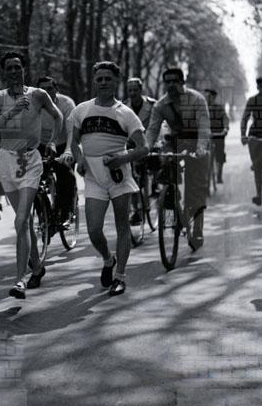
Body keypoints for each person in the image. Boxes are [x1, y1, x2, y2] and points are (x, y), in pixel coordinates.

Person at [60, 61, 148, 296]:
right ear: (94, 82)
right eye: (99, 79)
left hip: (118, 175)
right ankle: (108, 259)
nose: (103, 83)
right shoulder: (82, 110)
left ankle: (120, 277)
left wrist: (121, 159)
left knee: (122, 226)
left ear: (116, 81)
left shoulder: (125, 113)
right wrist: (79, 159)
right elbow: (73, 142)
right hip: (93, 175)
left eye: (108, 78)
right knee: (94, 230)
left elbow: (144, 148)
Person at [0, 52, 63, 299]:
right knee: (25, 222)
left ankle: (19, 281)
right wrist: (12, 112)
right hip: (7, 160)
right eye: (9, 68)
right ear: (3, 72)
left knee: (21, 220)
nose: (14, 71)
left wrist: (52, 142)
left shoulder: (38, 95)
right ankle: (37, 267)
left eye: (17, 67)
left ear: (24, 70)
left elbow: (58, 116)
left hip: (31, 160)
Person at [146, 67, 210, 251]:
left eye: (175, 81)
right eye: (168, 81)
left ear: (183, 82)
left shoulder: (196, 99)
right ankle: (170, 213)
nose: (171, 84)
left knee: (196, 189)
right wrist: (146, 148)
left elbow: (204, 127)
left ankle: (197, 229)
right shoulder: (160, 105)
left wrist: (201, 148)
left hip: (196, 142)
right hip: (174, 143)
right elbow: (152, 130)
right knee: (166, 176)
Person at [37, 76, 77, 225]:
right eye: (42, 90)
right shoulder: (31, 104)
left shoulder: (66, 104)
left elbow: (72, 132)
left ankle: (65, 213)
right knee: (32, 178)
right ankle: (43, 213)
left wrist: (68, 151)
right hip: (42, 143)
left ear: (56, 90)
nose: (46, 92)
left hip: (63, 142)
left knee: (65, 175)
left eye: (50, 89)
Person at [125, 77, 157, 222]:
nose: (132, 93)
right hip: (131, 145)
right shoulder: (123, 106)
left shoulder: (152, 105)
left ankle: (155, 185)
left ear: (141, 90)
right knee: (131, 178)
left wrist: (154, 143)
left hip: (149, 143)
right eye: (130, 90)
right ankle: (136, 210)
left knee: (154, 165)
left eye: (135, 90)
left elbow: (157, 125)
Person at [241, 77, 262, 205]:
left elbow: (244, 118)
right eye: (260, 86)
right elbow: (245, 118)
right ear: (257, 87)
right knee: (258, 166)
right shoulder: (252, 100)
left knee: (258, 166)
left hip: (255, 135)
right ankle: (259, 194)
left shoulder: (252, 100)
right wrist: (243, 135)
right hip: (255, 136)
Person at [204, 89, 229, 184]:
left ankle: (219, 175)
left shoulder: (219, 108)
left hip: (218, 134)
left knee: (220, 154)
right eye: (206, 96)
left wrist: (225, 129)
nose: (207, 98)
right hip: (206, 135)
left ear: (214, 97)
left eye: (209, 96)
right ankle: (204, 174)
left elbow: (225, 118)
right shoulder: (202, 108)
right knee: (201, 153)